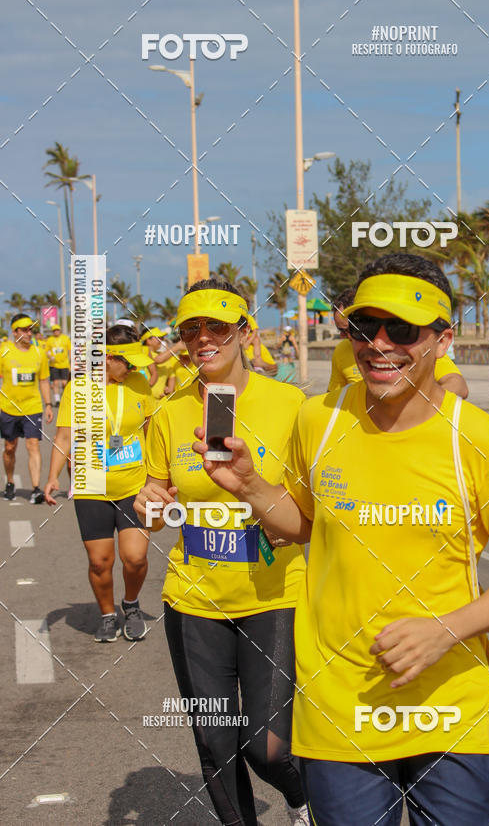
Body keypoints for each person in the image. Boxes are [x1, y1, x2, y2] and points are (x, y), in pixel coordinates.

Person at [193, 253, 489, 826]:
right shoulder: (318, 419)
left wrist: (445, 631)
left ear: (443, 339)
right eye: (364, 326)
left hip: (447, 706)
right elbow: (305, 523)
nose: (378, 344)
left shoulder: (485, 440)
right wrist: (249, 487)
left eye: (402, 329)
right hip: (339, 704)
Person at [133, 278, 309, 826]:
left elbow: (310, 512)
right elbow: (157, 507)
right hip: (192, 599)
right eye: (191, 329)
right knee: (215, 742)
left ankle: (305, 798)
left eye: (217, 326)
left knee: (268, 748)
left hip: (274, 595)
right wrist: (149, 504)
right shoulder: (168, 412)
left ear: (245, 332)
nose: (203, 338)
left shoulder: (291, 405)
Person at [44, 325, 156, 642]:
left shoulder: (139, 382)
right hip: (91, 484)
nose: (132, 368)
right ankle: (108, 614)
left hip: (134, 485)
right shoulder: (78, 388)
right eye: (128, 362)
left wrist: (161, 477)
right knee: (99, 562)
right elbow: (63, 436)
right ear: (107, 357)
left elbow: (151, 430)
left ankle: (131, 604)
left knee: (135, 558)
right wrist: (52, 477)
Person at [328, 286, 469, 398]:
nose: (342, 335)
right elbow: (334, 395)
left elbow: (457, 385)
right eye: (339, 329)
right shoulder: (342, 350)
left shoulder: (410, 344)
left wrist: (422, 407)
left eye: (350, 329)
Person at [0, 314, 53, 503]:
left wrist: (48, 404)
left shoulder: (39, 353)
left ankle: (36, 489)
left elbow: (44, 380)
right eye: (25, 330)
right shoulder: (4, 351)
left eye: (31, 329)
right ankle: (10, 482)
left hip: (32, 407)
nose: (29, 333)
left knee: (33, 445)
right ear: (15, 332)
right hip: (8, 407)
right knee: (10, 447)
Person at [45, 322, 72, 406]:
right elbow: (46, 351)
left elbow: (70, 350)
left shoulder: (65, 338)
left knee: (64, 383)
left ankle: (65, 397)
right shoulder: (50, 340)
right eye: (54, 330)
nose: (56, 332)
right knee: (55, 383)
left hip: (64, 364)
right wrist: (50, 357)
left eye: (57, 330)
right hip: (54, 365)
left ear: (60, 330)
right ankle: (57, 400)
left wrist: (71, 360)